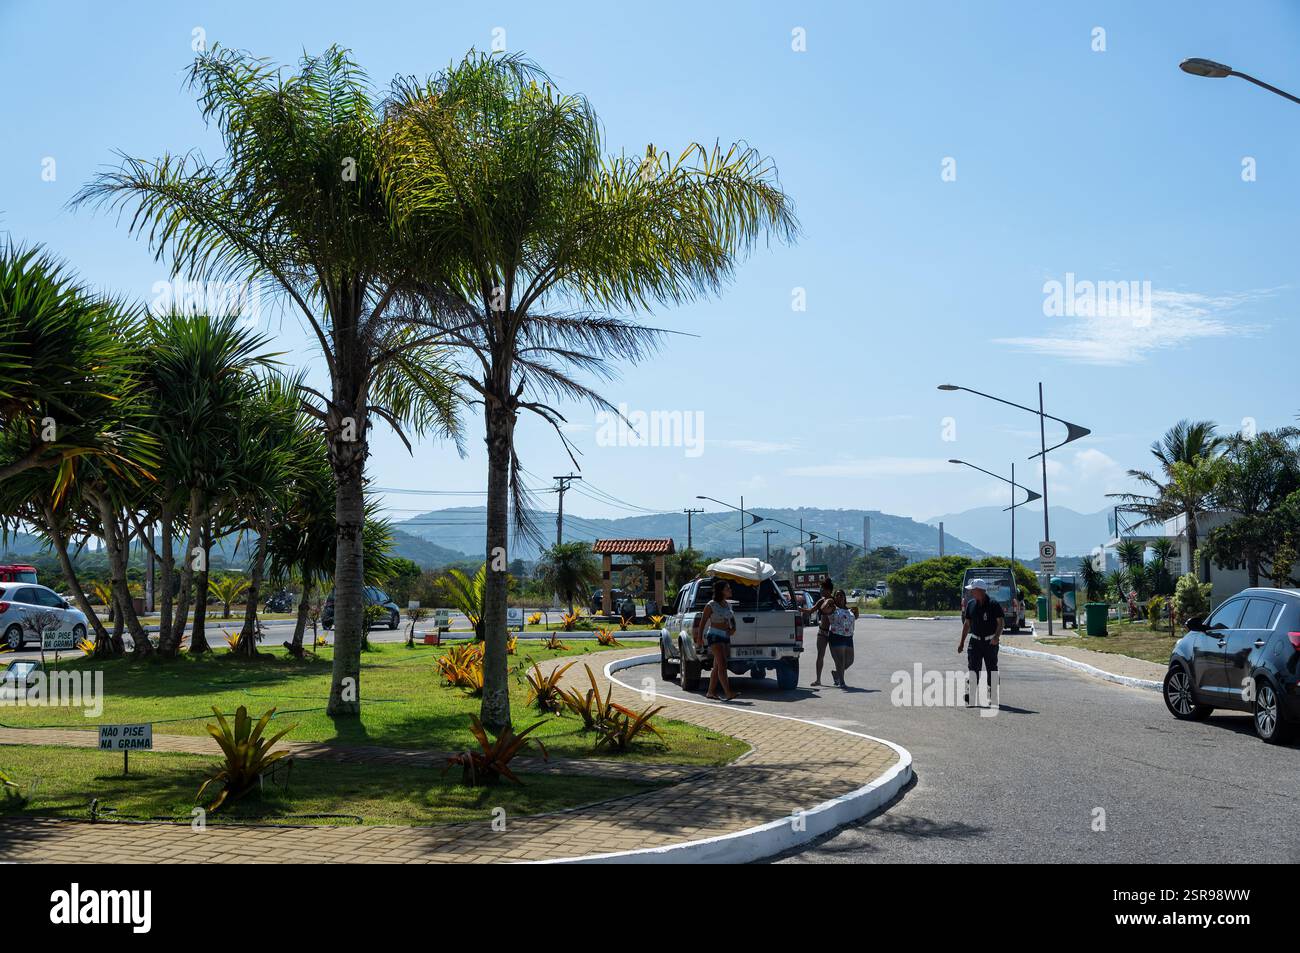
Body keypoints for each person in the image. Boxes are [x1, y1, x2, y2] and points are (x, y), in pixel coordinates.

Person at [957, 578, 1002, 707]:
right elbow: (967, 624)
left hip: (990, 642)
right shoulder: (971, 604)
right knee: (973, 668)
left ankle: (992, 696)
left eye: (973, 590)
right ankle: (970, 696)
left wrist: (996, 637)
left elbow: (1001, 623)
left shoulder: (993, 604)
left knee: (992, 669)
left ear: (980, 590)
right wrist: (961, 643)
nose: (971, 593)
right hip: (975, 641)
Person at [697, 578, 739, 701]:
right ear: (721, 591)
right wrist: (699, 638)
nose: (730, 590)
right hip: (714, 636)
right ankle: (728, 692)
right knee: (722, 665)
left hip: (725, 636)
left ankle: (710, 692)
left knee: (717, 666)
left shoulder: (727, 604)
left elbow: (731, 619)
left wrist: (734, 628)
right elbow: (703, 622)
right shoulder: (711, 605)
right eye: (727, 589)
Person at [809, 578, 836, 686]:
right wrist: (800, 610)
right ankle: (818, 679)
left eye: (823, 589)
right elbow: (811, 611)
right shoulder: (821, 600)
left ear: (828, 590)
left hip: (833, 632)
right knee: (820, 655)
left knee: (837, 657)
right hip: (822, 632)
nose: (821, 591)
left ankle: (838, 676)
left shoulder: (834, 601)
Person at [828, 588, 856, 687]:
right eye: (837, 595)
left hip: (848, 637)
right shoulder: (832, 608)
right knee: (840, 660)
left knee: (850, 660)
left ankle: (837, 674)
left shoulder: (849, 610)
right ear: (834, 598)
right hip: (837, 636)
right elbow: (823, 609)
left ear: (845, 597)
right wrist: (828, 600)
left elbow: (853, 619)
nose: (840, 597)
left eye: (841, 595)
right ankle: (842, 682)